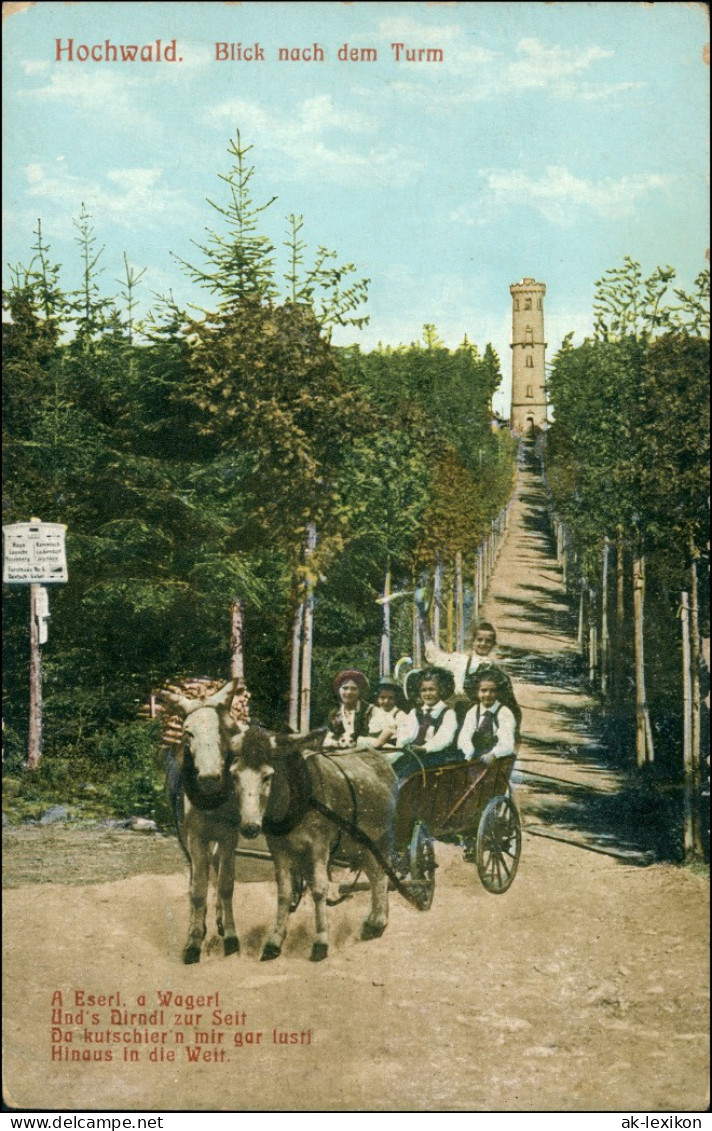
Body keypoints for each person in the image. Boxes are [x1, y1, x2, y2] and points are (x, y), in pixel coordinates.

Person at [398, 668, 459, 766]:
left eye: (432, 689)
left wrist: (425, 748)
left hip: (434, 757)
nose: (427, 694)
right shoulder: (415, 712)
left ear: (441, 690)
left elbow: (443, 738)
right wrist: (402, 746)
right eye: (423, 690)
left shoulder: (448, 714)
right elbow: (405, 734)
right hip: (413, 754)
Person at [457, 670, 519, 764]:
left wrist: (494, 754)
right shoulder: (473, 711)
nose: (488, 694)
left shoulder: (504, 712)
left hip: (498, 760)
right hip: (476, 758)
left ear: (498, 692)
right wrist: (469, 753)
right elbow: (464, 737)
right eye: (483, 690)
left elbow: (507, 742)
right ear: (477, 692)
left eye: (492, 691)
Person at [322, 669, 373, 750]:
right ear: (339, 690)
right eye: (345, 688)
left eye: (354, 689)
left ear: (360, 691)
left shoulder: (369, 710)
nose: (349, 692)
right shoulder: (335, 714)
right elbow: (328, 737)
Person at [357, 676, 409, 752]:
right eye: (382, 697)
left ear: (396, 699)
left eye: (390, 698)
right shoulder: (373, 711)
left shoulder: (399, 715)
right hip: (369, 749)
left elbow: (401, 742)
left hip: (389, 750)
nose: (386, 701)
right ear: (377, 698)